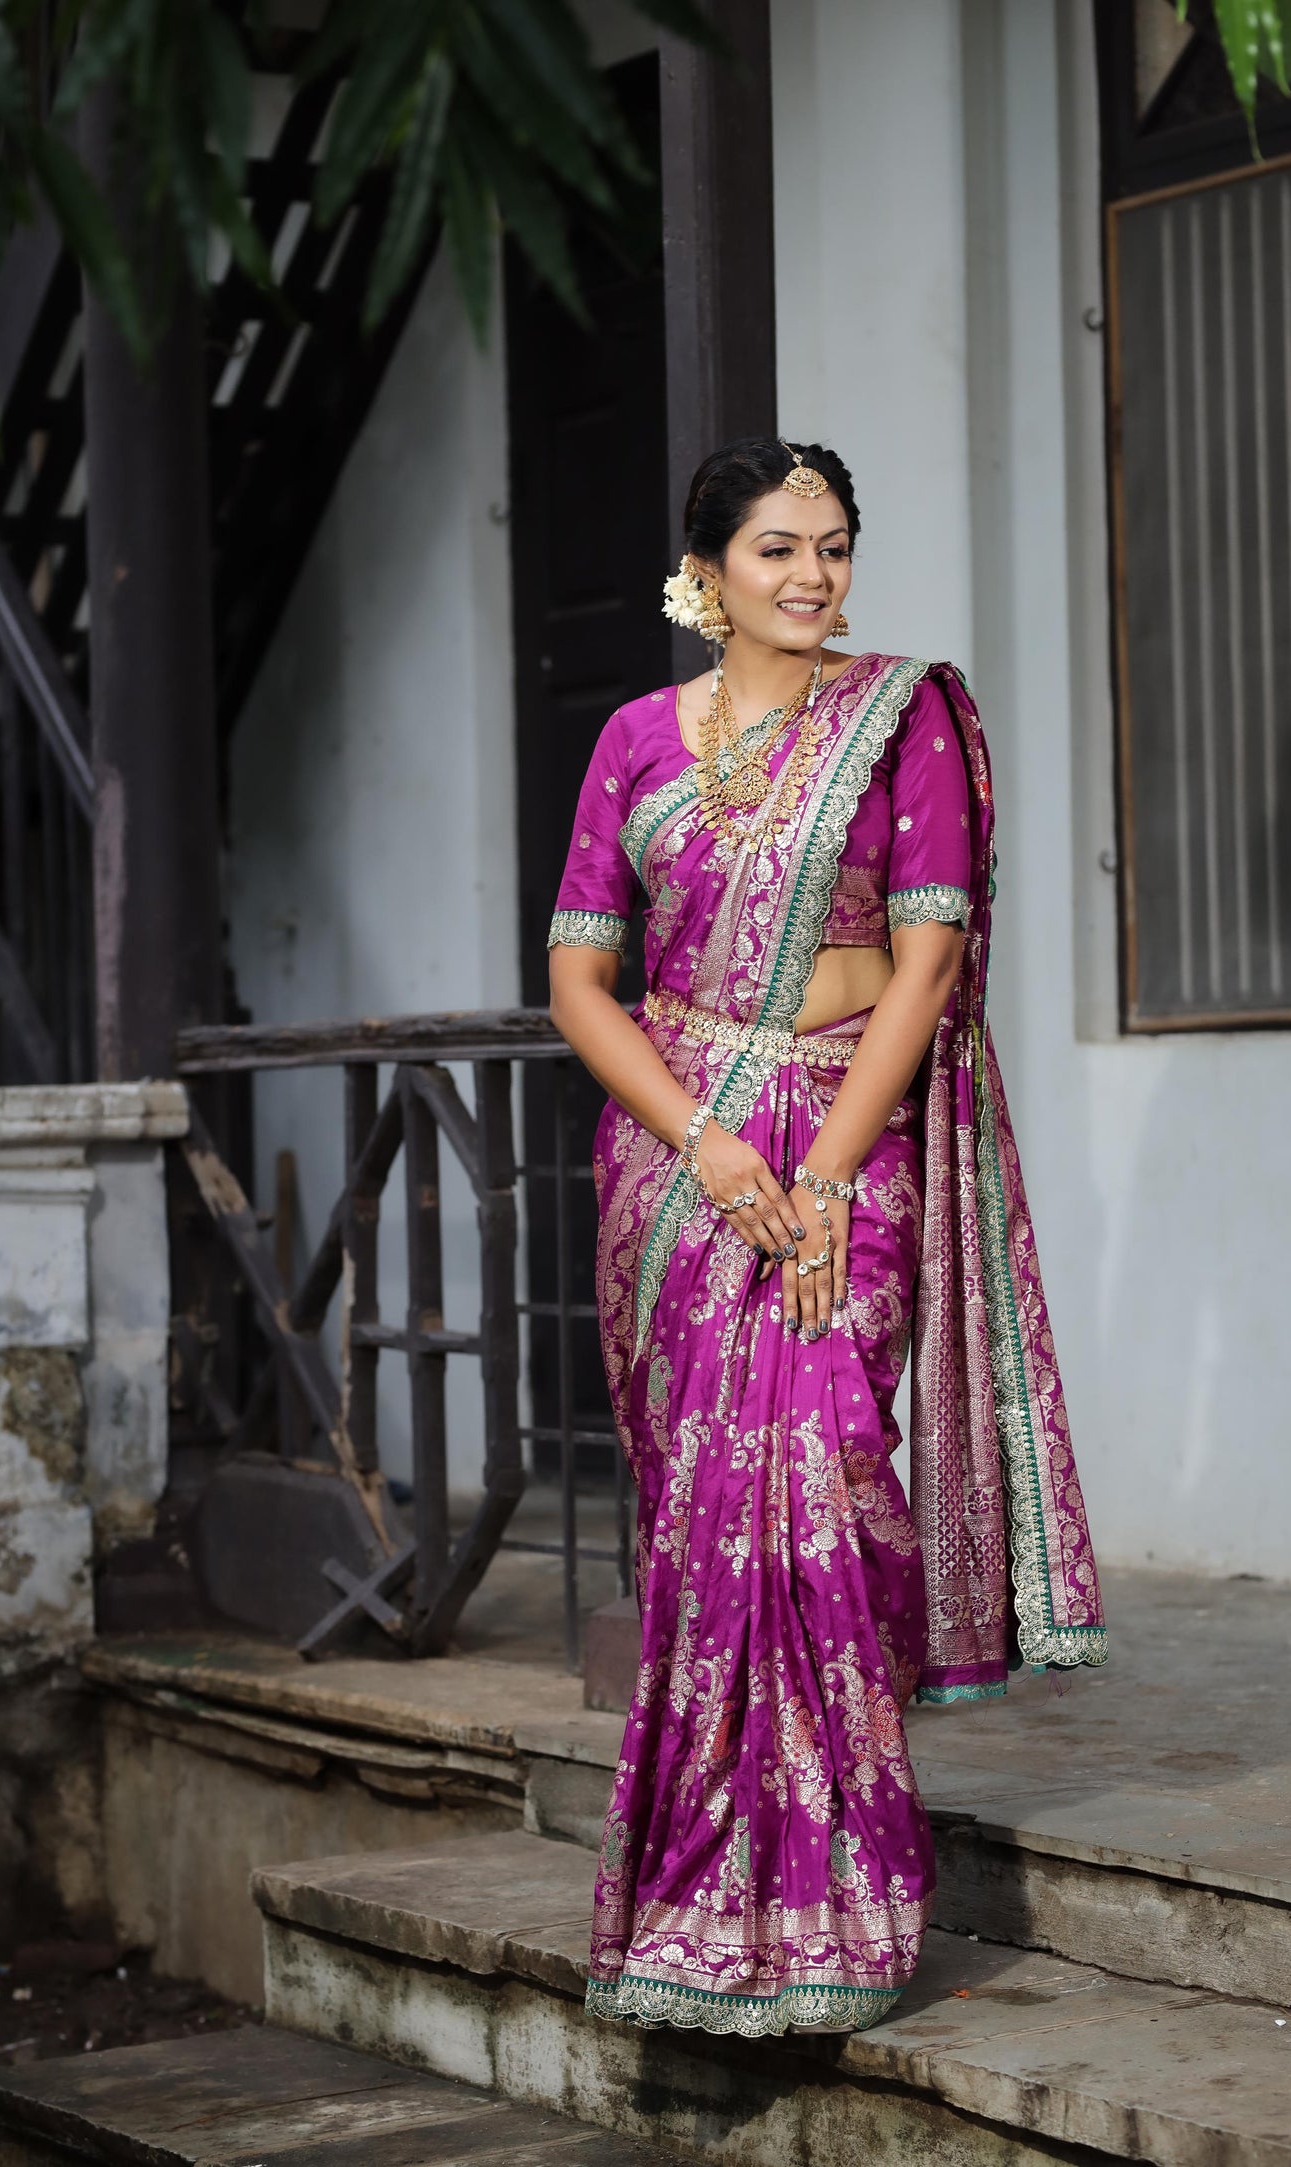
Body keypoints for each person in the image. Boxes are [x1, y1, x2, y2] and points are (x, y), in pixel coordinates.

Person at [548, 437, 1106, 2040]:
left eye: (835, 547)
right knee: (702, 1532)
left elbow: (923, 969)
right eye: (778, 549)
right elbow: (585, 978)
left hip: (842, 1155)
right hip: (683, 1164)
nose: (812, 578)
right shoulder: (634, 742)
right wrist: (714, 1148)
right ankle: (693, 1908)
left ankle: (837, 1918)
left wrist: (821, 1176)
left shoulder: (902, 715)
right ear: (705, 568)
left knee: (814, 1501)